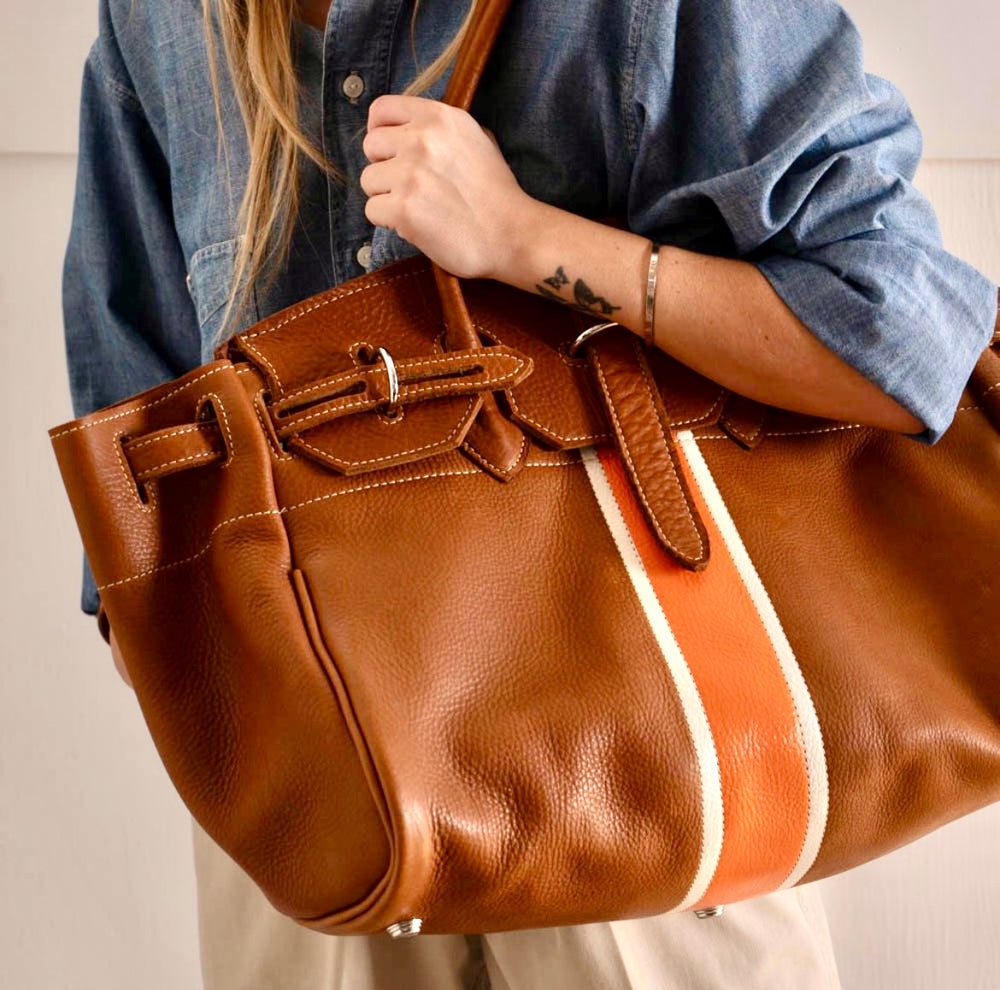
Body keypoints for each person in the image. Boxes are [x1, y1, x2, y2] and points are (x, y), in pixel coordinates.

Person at [62, 0, 997, 987]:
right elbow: (140, 386)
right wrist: (176, 661)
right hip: (306, 785)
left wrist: (522, 239)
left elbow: (900, 334)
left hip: (634, 754)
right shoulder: (164, 17)